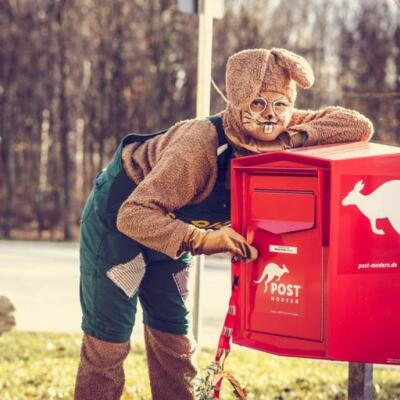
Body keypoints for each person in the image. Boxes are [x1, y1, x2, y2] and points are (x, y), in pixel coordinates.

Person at [74, 48, 373, 400]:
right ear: (236, 100)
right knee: (109, 340)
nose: (269, 116)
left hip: (176, 228)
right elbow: (134, 214)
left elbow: (359, 126)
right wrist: (205, 240)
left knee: (175, 339)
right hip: (120, 220)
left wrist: (290, 138)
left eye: (280, 105)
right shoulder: (200, 143)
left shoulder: (284, 125)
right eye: (257, 104)